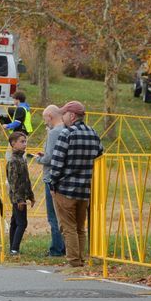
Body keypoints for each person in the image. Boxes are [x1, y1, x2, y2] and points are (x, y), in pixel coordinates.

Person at [49, 100, 104, 268]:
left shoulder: (67, 134)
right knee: (80, 227)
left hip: (66, 188)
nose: (62, 117)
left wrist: (52, 183)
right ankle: (80, 258)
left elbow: (57, 163)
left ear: (72, 116)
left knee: (68, 227)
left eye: (64, 114)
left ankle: (73, 261)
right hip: (85, 189)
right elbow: (100, 155)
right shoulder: (93, 133)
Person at [35, 105, 66, 257]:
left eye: (44, 118)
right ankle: (66, 246)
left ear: (49, 116)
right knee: (64, 215)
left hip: (51, 177)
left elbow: (50, 158)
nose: (44, 122)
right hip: (64, 178)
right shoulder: (67, 129)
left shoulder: (54, 132)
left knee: (53, 216)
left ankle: (56, 249)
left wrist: (39, 158)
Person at [6, 130, 35, 256]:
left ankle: (12, 246)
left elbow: (26, 180)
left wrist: (31, 196)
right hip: (17, 197)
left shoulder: (22, 159)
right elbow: (14, 182)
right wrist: (19, 199)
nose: (25, 144)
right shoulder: (13, 161)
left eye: (25, 141)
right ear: (13, 144)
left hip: (22, 195)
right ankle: (14, 248)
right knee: (22, 223)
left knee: (15, 221)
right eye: (22, 142)